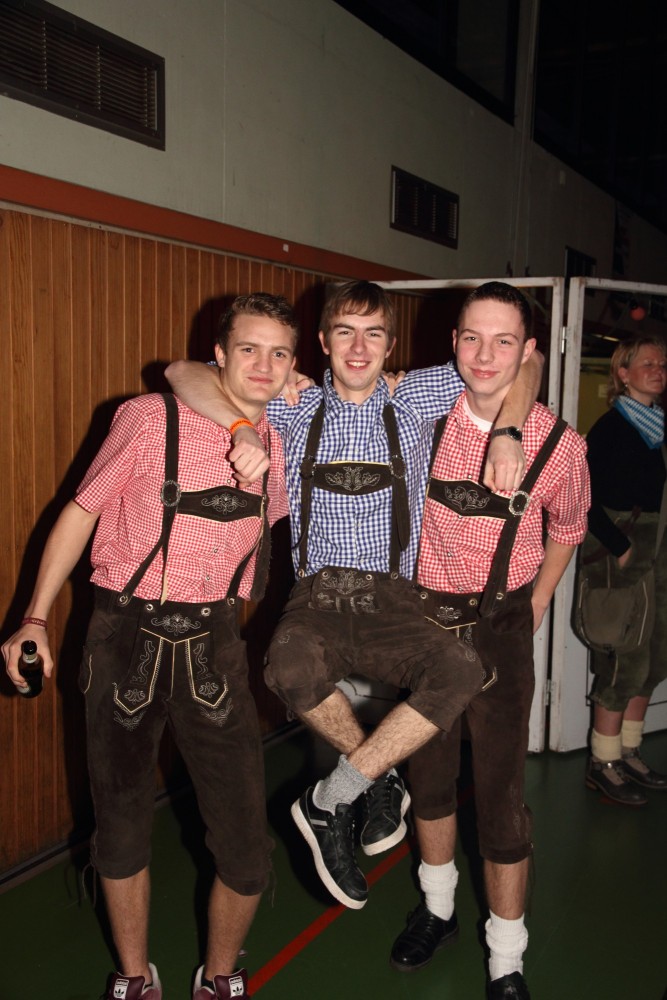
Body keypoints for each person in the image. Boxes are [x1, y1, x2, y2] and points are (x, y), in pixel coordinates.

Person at [166, 279, 542, 913]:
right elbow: (182, 372)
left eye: (374, 334)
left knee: (460, 670)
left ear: (391, 345)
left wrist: (507, 432)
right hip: (318, 593)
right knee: (287, 667)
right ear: (322, 342)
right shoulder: (293, 404)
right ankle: (379, 774)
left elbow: (526, 363)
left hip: (394, 597)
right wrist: (243, 427)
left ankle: (331, 796)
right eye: (345, 332)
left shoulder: (417, 395)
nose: (360, 348)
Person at [2, 293, 300, 1000]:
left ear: (293, 366)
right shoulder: (147, 418)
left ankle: (218, 976)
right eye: (248, 349)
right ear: (218, 355)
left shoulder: (281, 442)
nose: (263, 366)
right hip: (124, 635)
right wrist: (34, 618)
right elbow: (81, 513)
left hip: (215, 644)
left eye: (279, 354)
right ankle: (135, 978)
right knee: (121, 828)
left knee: (246, 846)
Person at [389, 282, 589, 1000]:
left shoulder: (560, 445)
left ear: (528, 351)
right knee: (428, 779)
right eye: (471, 337)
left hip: (501, 623)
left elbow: (568, 527)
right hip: (424, 619)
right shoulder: (418, 416)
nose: (484, 354)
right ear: (452, 343)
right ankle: (438, 909)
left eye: (504, 341)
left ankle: (507, 958)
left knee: (501, 796)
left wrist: (538, 598)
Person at [581, 336, 667, 806]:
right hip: (622, 553)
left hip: (659, 551)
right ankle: (603, 761)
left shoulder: (659, 428)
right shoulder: (611, 429)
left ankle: (629, 751)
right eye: (647, 363)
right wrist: (621, 548)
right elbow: (583, 499)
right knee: (622, 657)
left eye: (663, 363)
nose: (658, 369)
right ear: (623, 374)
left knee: (654, 656)